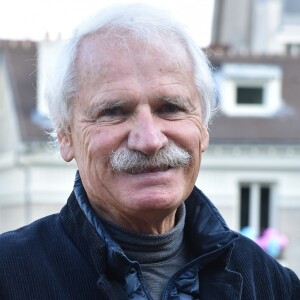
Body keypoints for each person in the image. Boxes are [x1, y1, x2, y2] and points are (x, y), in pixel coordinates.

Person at [0, 3, 299, 300]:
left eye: (171, 108)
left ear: (204, 128)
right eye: (114, 111)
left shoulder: (271, 284)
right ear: (66, 136)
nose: (149, 140)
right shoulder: (9, 275)